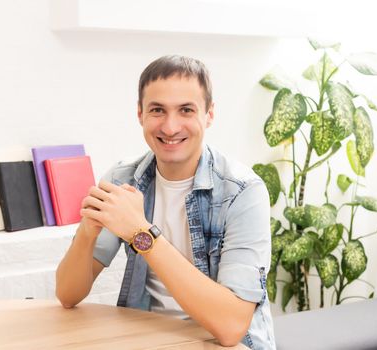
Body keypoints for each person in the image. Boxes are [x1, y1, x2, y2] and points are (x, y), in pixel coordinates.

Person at [55, 55, 275, 349]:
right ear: (140, 114)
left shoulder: (242, 192)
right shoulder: (124, 179)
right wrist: (88, 231)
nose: (170, 127)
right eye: (158, 110)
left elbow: (230, 327)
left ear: (209, 114)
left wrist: (141, 233)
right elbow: (68, 295)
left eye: (186, 110)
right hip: (146, 338)